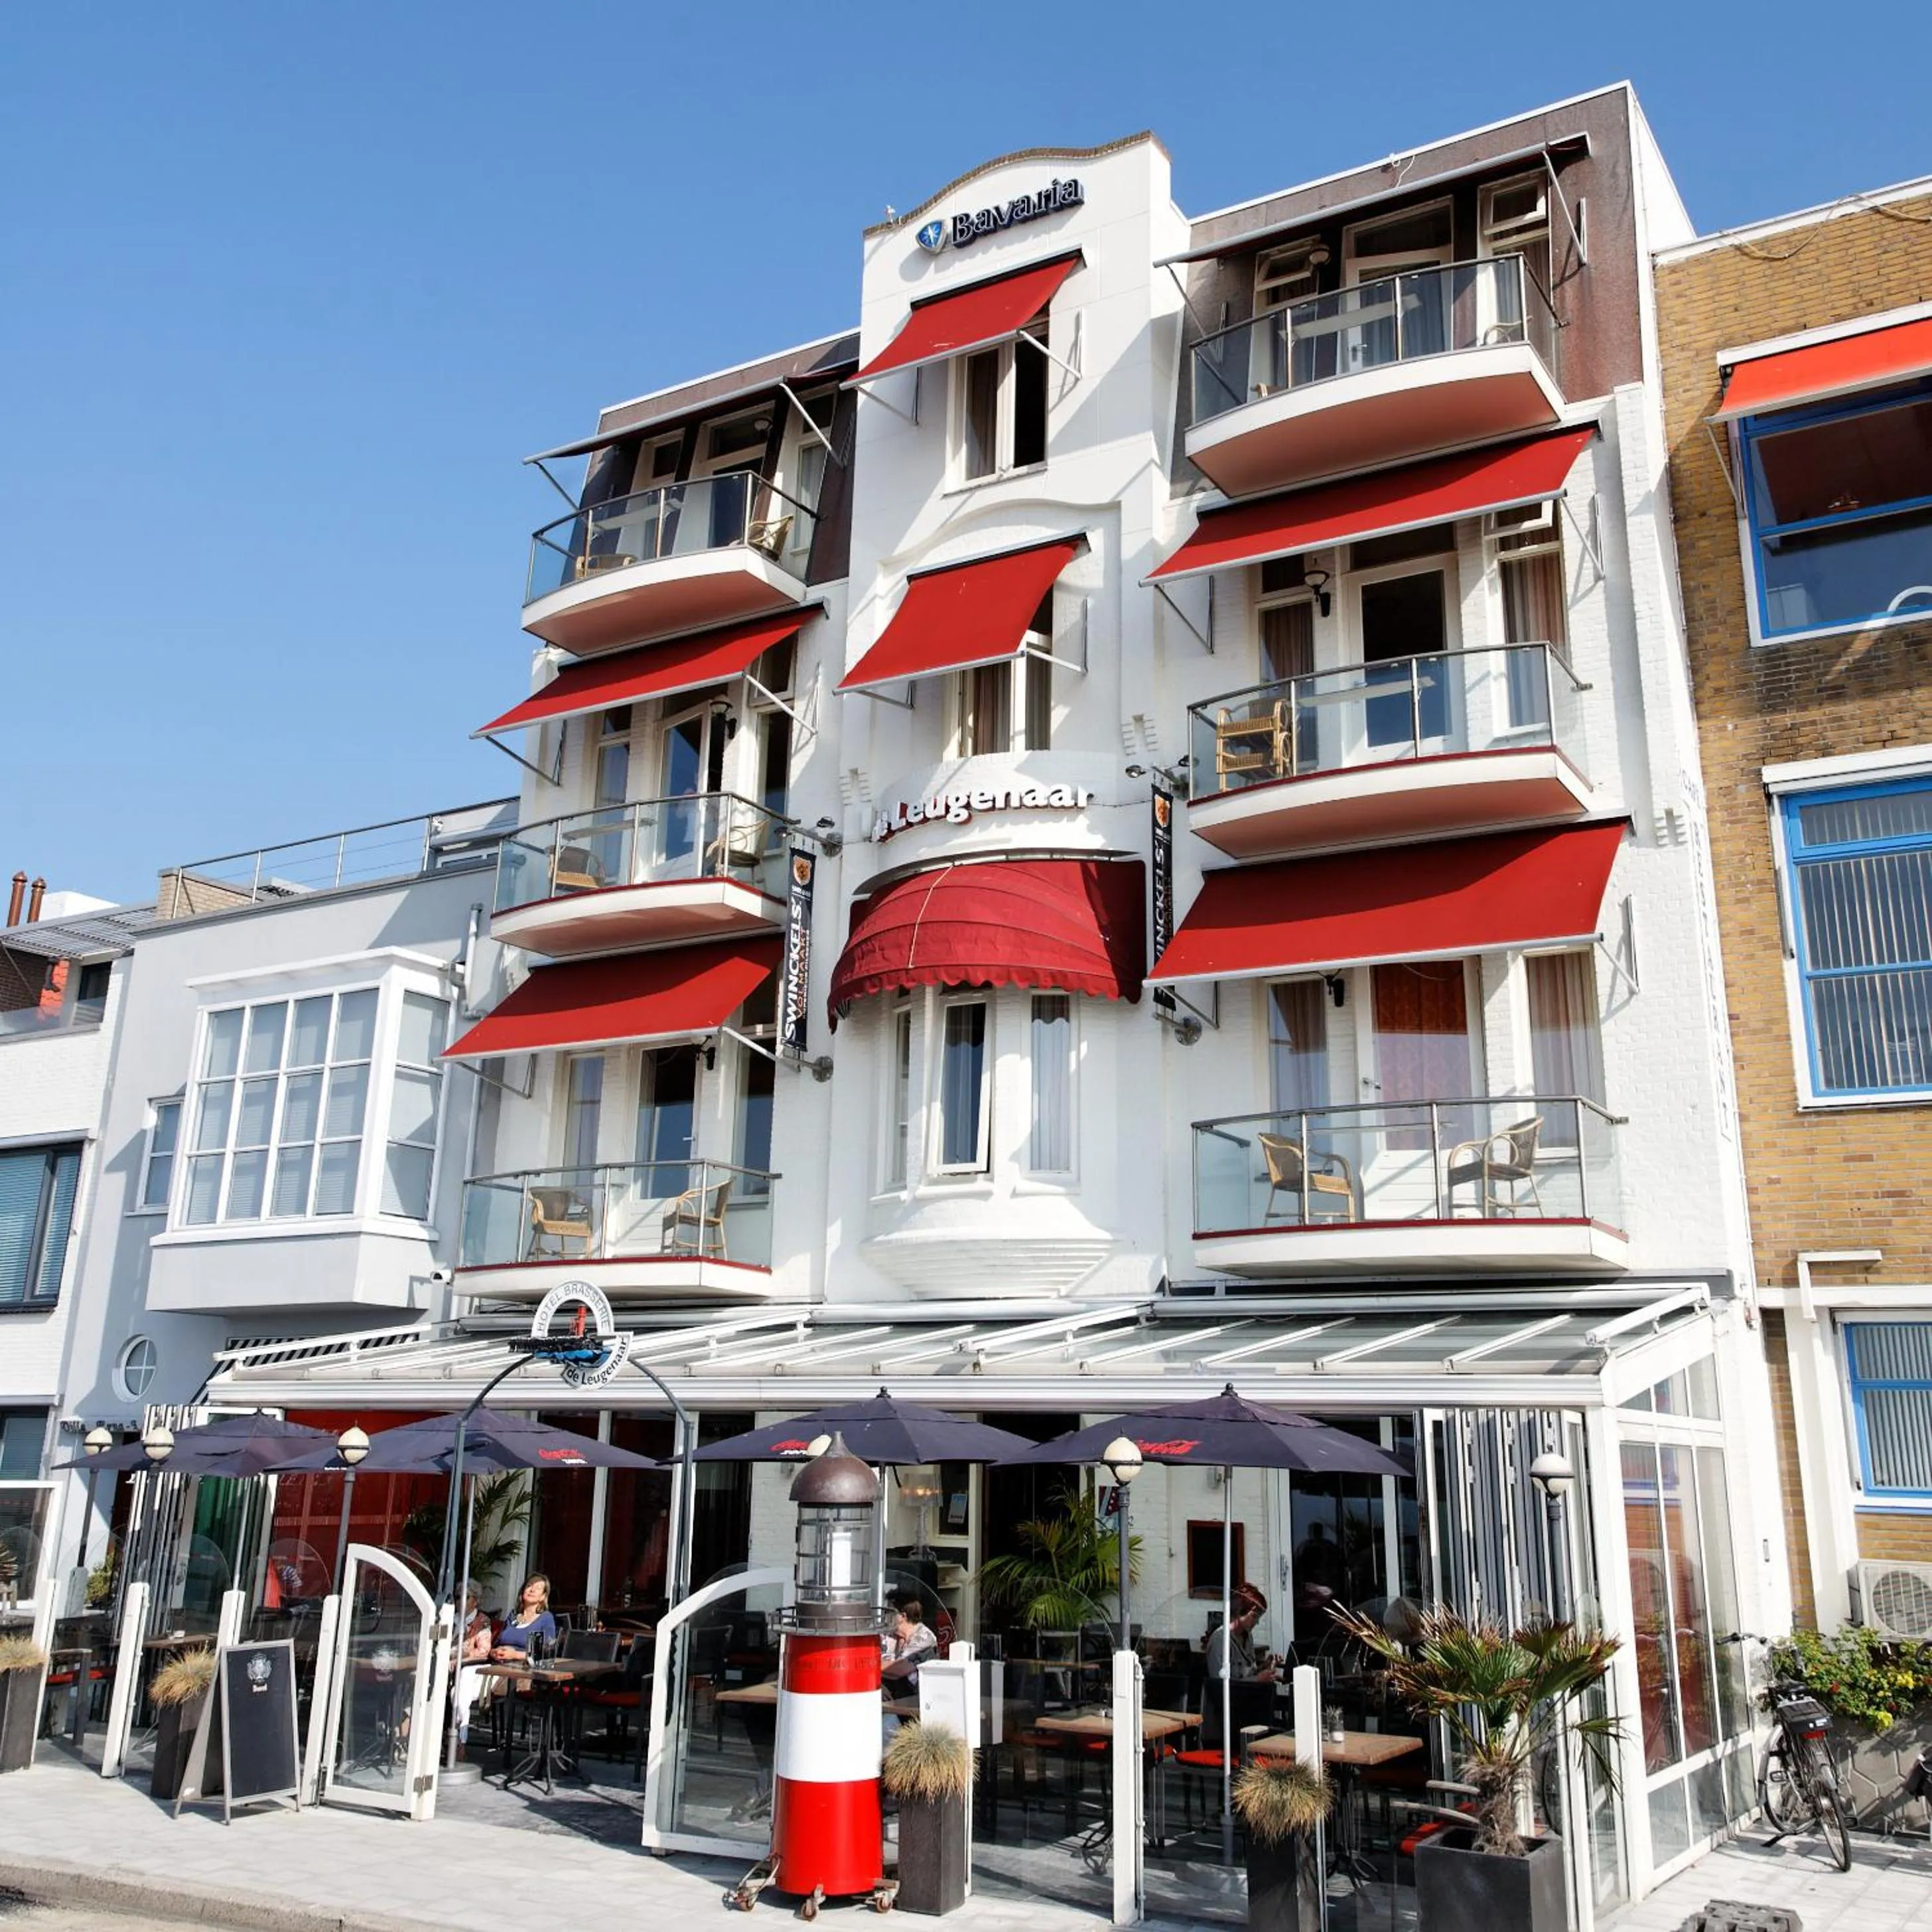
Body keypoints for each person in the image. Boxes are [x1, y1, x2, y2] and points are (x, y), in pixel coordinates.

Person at [1205, 1582, 1278, 1685]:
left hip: (1250, 1696)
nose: (1257, 1622)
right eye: (1255, 1616)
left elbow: (1248, 1673)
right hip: (1232, 1699)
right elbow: (1219, 1685)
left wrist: (1264, 1667)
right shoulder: (1220, 1640)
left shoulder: (1247, 1636)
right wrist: (1257, 1680)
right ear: (1240, 1611)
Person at [451, 1581, 494, 1742]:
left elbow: (483, 1651)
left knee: (456, 1693)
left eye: (466, 1597)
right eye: (457, 1597)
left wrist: (459, 1659)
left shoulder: (481, 1620)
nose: (459, 1601)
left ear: (475, 1601)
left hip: (470, 1669)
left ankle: (458, 1739)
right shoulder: (449, 1618)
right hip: (446, 1667)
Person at [492, 1573, 557, 1659]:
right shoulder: (513, 1616)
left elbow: (547, 1652)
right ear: (523, 1591)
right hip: (498, 1663)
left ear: (543, 1597)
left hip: (524, 1668)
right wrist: (494, 1652)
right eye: (529, 1586)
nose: (532, 1590)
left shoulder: (546, 1618)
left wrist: (515, 1655)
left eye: (538, 1588)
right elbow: (497, 1643)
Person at [881, 1592, 937, 1689]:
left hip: (915, 1696)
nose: (884, 1616)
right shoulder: (888, 1634)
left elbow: (900, 1669)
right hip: (890, 1689)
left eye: (888, 1612)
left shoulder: (925, 1638)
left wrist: (870, 1667)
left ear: (902, 1616)